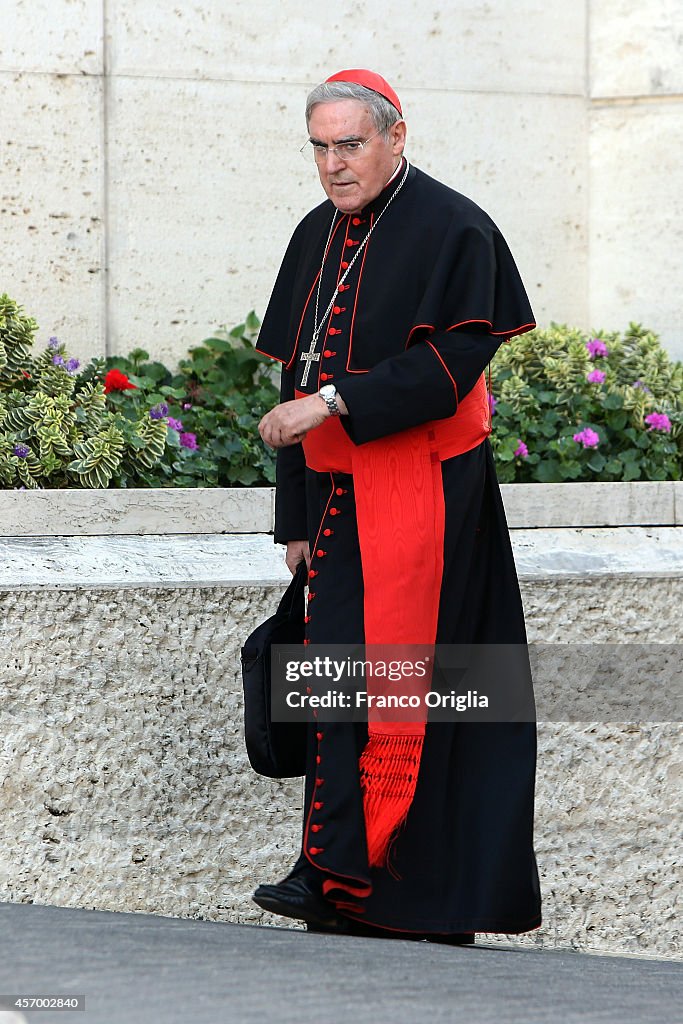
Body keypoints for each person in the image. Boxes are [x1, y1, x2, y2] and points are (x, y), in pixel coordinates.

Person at [252, 69, 542, 942]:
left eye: (350, 144)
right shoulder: (315, 233)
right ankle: (335, 877)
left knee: (435, 692)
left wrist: (336, 403)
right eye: (320, 146)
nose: (334, 165)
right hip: (337, 503)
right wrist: (295, 521)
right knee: (333, 677)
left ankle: (423, 898)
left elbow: (451, 368)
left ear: (395, 137)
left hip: (432, 499)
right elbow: (294, 377)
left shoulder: (456, 227)